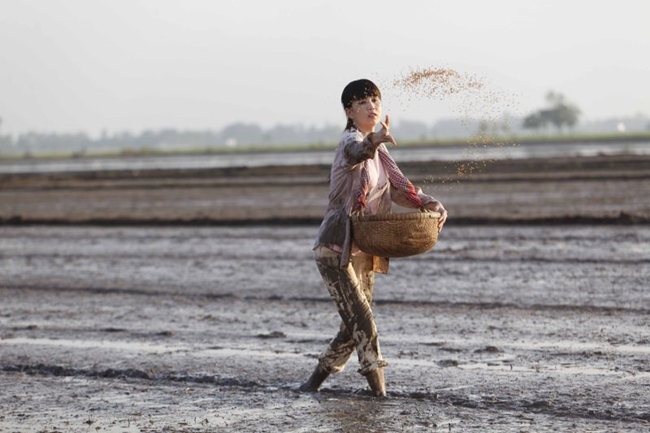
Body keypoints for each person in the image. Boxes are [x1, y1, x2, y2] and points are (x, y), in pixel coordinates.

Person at [299, 79, 448, 397]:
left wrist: (428, 202)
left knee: (352, 327)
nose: (372, 106)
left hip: (364, 247)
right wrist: (374, 141)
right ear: (349, 111)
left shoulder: (382, 156)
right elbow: (356, 153)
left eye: (376, 100)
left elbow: (399, 188)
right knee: (363, 321)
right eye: (363, 102)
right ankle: (379, 394)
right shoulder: (350, 142)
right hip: (335, 248)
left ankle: (311, 385)